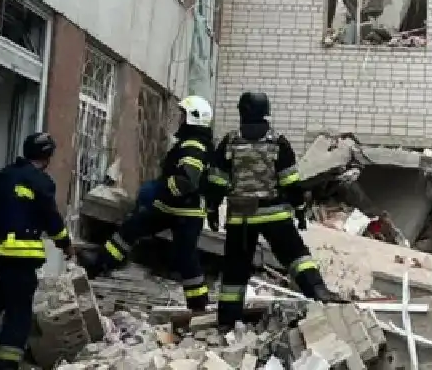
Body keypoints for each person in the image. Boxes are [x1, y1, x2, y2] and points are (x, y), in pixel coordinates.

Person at [211, 91, 338, 329]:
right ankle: (318, 291)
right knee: (297, 256)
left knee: (235, 270)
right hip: (275, 215)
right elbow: (290, 181)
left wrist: (212, 208)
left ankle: (228, 322)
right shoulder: (278, 142)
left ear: (242, 112)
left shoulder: (229, 141)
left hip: (241, 218)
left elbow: (217, 181)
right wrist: (300, 209)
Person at [78, 95, 216, 312]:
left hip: (187, 213)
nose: (179, 119)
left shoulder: (194, 146)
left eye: (183, 115)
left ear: (193, 118)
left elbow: (187, 181)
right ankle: (100, 263)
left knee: (186, 258)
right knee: (131, 228)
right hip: (169, 208)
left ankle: (198, 305)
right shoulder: (190, 142)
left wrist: (159, 190)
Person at [0, 133, 73, 370]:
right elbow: (52, 219)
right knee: (18, 314)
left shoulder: (3, 176)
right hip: (21, 261)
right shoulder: (41, 182)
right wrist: (65, 244)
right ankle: (5, 365)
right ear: (47, 156)